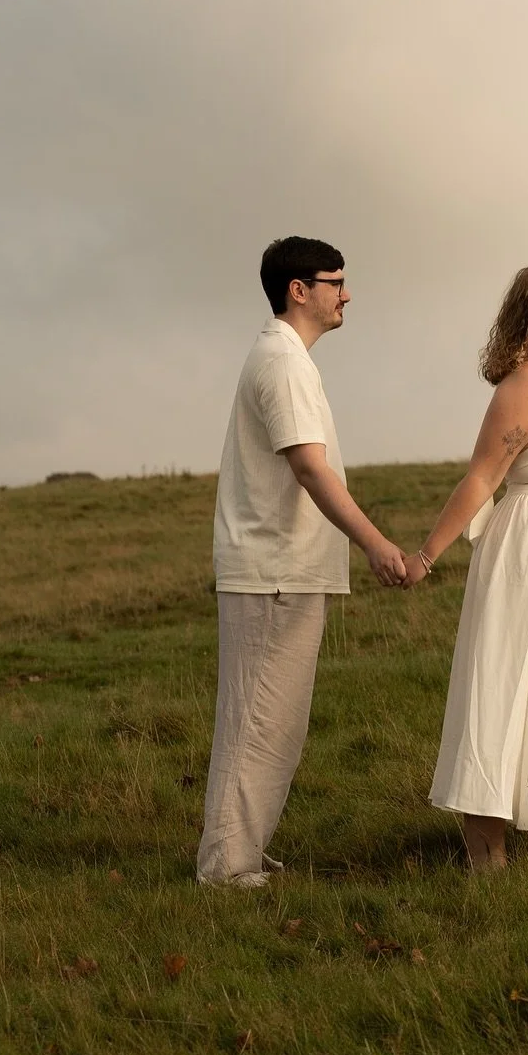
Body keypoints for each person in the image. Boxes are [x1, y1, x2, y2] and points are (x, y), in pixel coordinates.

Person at [197, 237, 408, 887]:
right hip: (273, 571)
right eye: (335, 282)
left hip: (283, 570)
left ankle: (242, 851)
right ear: (299, 289)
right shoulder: (283, 362)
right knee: (257, 723)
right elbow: (311, 469)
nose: (347, 295)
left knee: (274, 724)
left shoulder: (288, 358)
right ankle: (226, 868)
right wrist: (375, 543)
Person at [403, 264, 528, 870]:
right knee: (507, 679)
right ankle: (483, 848)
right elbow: (482, 477)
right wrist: (425, 557)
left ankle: (521, 819)